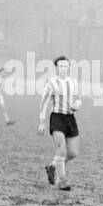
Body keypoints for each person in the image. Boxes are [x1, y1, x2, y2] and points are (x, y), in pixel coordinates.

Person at [37, 56, 81, 191]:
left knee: (73, 153)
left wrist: (76, 106)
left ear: (68, 67)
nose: (63, 69)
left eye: (65, 66)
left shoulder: (73, 82)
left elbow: (78, 99)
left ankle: (52, 166)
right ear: (56, 68)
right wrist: (41, 122)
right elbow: (43, 103)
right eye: (60, 66)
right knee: (61, 151)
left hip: (70, 119)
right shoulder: (51, 83)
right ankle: (62, 181)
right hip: (57, 118)